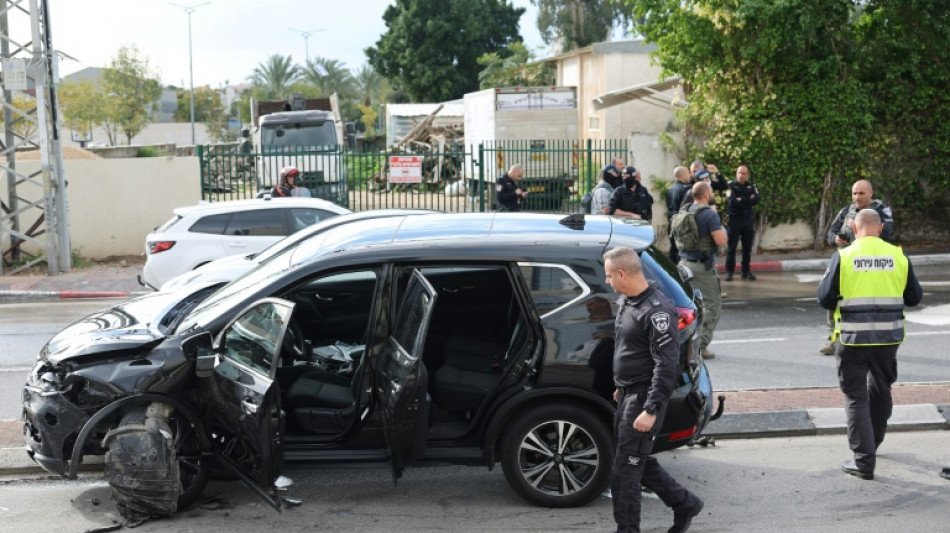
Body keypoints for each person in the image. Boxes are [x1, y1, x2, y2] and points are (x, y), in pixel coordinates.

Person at [603, 246, 704, 533]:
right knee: (635, 459)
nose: (607, 281)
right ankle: (685, 503)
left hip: (644, 398)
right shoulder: (629, 301)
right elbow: (630, 349)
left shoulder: (657, 311)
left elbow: (666, 366)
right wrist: (621, 386)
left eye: (609, 275)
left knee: (625, 475)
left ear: (622, 273)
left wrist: (651, 409)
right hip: (628, 394)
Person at [817, 209, 922, 481]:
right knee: (881, 388)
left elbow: (824, 298)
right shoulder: (898, 255)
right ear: (880, 228)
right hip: (888, 338)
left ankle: (864, 461)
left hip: (853, 337)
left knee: (855, 396)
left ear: (854, 227)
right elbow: (914, 297)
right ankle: (872, 444)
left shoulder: (844, 256)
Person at [819, 179, 896, 355]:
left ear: (871, 193)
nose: (857, 197)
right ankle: (834, 340)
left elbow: (886, 233)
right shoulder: (846, 211)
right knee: (835, 301)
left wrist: (859, 230)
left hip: (869, 265)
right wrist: (836, 239)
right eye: (854, 193)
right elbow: (831, 232)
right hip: (846, 264)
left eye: (861, 193)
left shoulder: (880, 211)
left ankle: (874, 340)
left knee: (871, 305)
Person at [678, 181, 727, 359]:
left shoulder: (684, 211)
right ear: (706, 194)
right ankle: (700, 346)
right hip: (702, 268)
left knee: (687, 307)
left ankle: (681, 342)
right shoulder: (709, 214)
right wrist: (722, 228)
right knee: (711, 306)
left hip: (683, 264)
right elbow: (721, 240)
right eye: (711, 191)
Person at [724, 164, 760, 281]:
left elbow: (756, 200)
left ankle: (746, 271)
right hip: (734, 220)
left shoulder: (751, 186)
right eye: (739, 173)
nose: (741, 175)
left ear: (747, 175)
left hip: (747, 220)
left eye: (743, 173)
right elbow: (733, 202)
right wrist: (748, 200)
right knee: (732, 247)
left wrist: (742, 199)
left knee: (747, 247)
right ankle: (729, 271)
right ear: (736, 173)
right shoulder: (730, 186)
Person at [666, 166, 692, 263]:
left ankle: (671, 269)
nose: (690, 175)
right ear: (683, 175)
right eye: (688, 173)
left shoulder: (670, 188)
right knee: (681, 250)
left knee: (673, 249)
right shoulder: (686, 189)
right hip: (681, 222)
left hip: (671, 221)